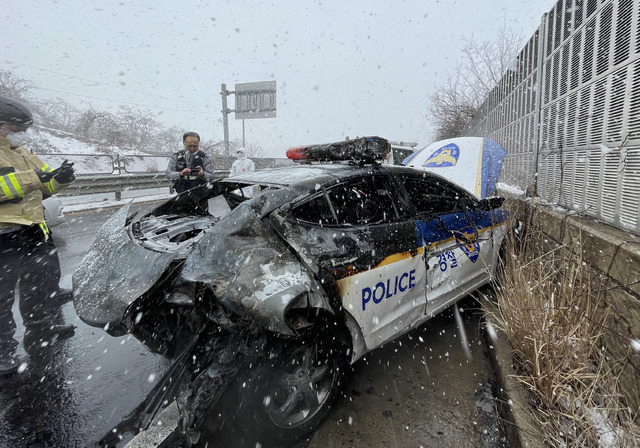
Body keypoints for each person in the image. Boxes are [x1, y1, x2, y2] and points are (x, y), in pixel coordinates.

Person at [0, 96, 77, 375]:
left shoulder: (24, 152)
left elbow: (45, 185)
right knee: (2, 296)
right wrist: (35, 177)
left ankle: (42, 329)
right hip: (3, 235)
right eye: (14, 127)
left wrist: (61, 178)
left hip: (34, 230)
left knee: (40, 285)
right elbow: (10, 185)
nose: (20, 134)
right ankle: (2, 350)